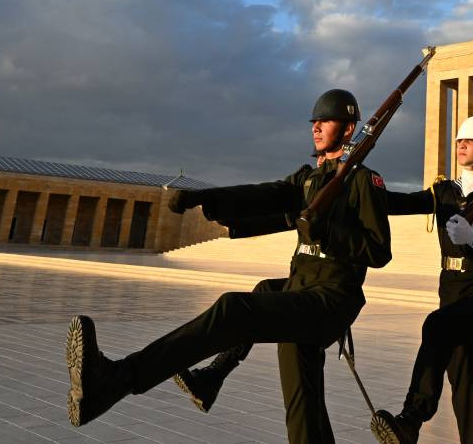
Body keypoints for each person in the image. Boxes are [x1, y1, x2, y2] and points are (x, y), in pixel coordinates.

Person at [64, 89, 392, 444]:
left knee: (233, 309)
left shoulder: (363, 181)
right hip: (301, 292)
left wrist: (329, 231)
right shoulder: (309, 179)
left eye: (324, 120)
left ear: (347, 129)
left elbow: (379, 250)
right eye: (313, 121)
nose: (315, 127)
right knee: (302, 405)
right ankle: (208, 377)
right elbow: (265, 193)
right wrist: (208, 198)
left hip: (331, 299)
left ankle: (118, 379)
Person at [370, 116, 473, 444]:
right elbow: (402, 203)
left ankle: (411, 419)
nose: (462, 145)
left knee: (437, 326)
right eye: (459, 141)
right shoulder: (444, 191)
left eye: (471, 140)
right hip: (450, 290)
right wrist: (367, 188)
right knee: (463, 375)